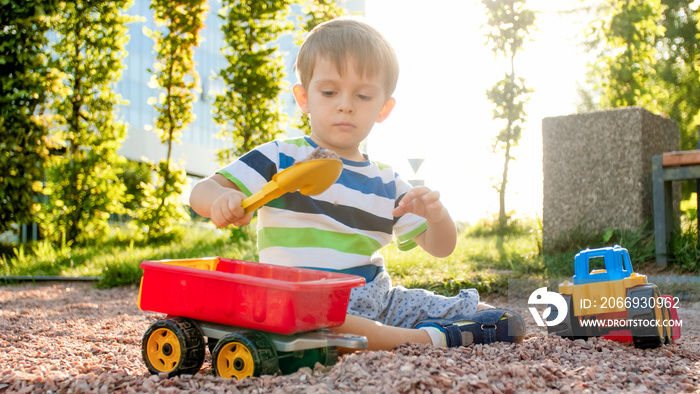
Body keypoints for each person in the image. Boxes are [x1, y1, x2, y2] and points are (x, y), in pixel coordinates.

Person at [189, 16, 525, 350]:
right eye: (330, 91)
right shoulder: (281, 157)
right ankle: (429, 339)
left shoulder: (386, 181)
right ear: (304, 97)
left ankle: (455, 327)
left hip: (379, 297)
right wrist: (220, 199)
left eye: (363, 96)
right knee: (327, 324)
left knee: (496, 317)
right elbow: (201, 191)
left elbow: (441, 247)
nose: (345, 105)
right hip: (304, 300)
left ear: (383, 108)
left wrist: (437, 216)